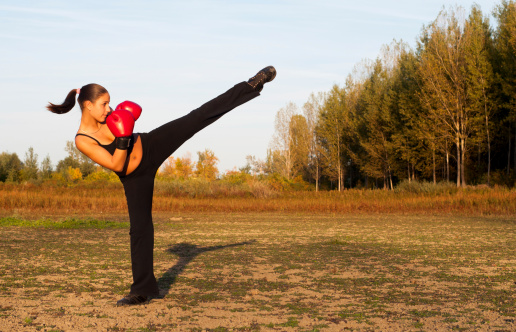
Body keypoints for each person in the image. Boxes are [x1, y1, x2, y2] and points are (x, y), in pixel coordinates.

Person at [46, 66, 276, 306]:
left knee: (195, 118)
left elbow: (127, 129)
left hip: (150, 144)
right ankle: (142, 291)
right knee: (140, 229)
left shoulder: (106, 116)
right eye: (104, 104)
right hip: (135, 177)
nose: (109, 109)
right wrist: (123, 136)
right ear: (88, 106)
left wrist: (129, 129)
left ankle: (250, 85)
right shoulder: (83, 139)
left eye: (109, 103)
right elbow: (116, 163)